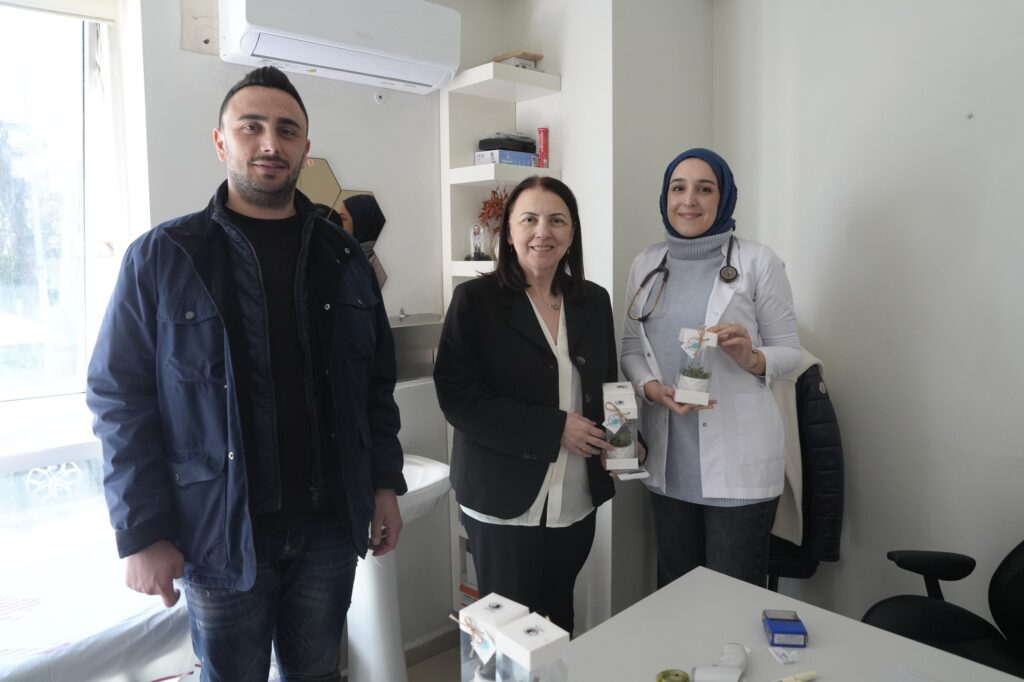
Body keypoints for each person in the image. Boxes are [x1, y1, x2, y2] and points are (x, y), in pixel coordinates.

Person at [86, 66, 406, 682]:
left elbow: (375, 386)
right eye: (251, 127)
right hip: (219, 536)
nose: (269, 143)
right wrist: (141, 532)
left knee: (318, 674)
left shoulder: (343, 257)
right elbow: (119, 397)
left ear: (305, 148)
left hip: (327, 530)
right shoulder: (164, 257)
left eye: (287, 131)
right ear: (220, 142)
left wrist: (384, 484)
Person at [433, 176, 616, 634]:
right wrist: (554, 428)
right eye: (529, 219)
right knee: (508, 636)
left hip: (575, 498)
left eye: (557, 220)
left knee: (557, 624)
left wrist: (624, 439)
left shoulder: (593, 301)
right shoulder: (476, 301)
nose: (543, 232)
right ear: (508, 233)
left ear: (572, 232)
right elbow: (458, 398)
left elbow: (606, 386)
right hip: (502, 500)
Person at [620, 147, 800, 588]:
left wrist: (751, 357)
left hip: (737, 469)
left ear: (724, 198)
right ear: (665, 196)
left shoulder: (757, 261)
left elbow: (790, 352)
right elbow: (630, 348)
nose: (689, 200)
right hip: (667, 465)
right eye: (678, 188)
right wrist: (651, 389)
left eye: (705, 189)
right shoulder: (646, 264)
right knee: (676, 594)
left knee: (730, 599)